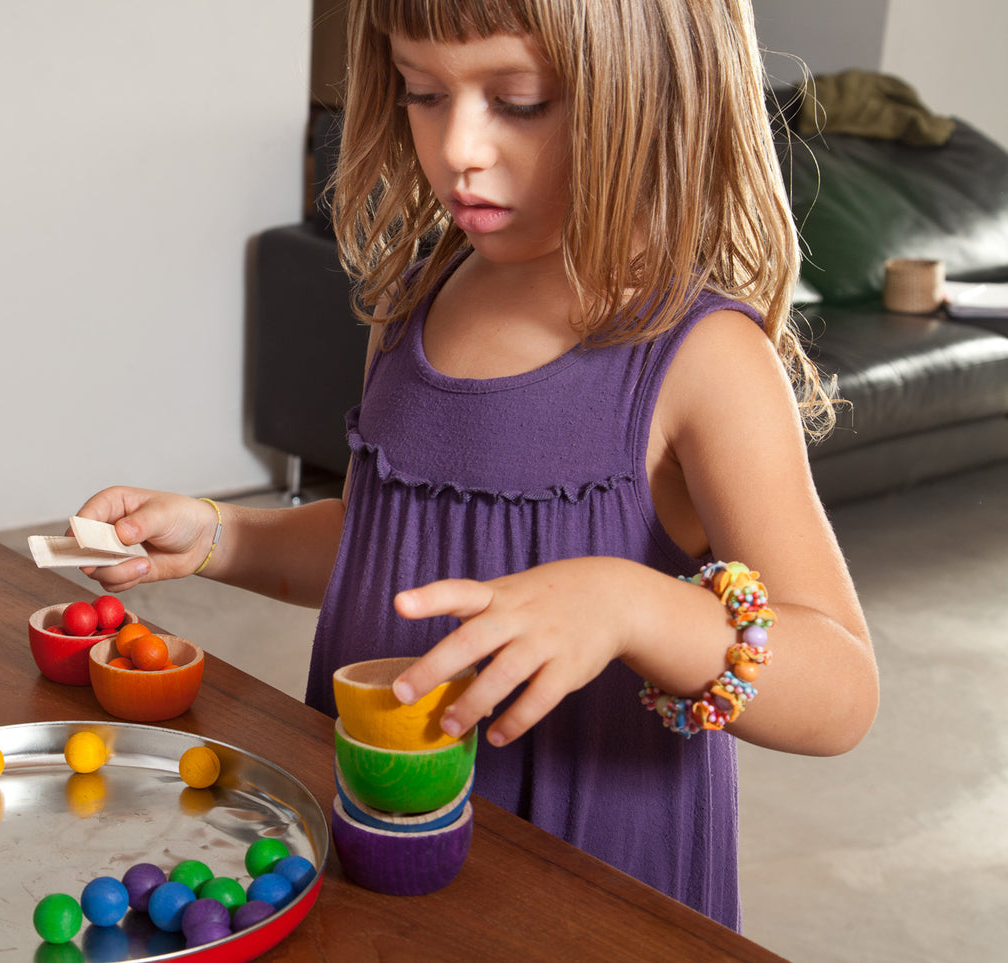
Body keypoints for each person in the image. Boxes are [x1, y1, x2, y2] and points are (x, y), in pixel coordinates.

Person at [75, 0, 878, 929]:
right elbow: (394, 550)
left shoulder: (698, 359)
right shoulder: (413, 301)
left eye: (520, 101)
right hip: (381, 835)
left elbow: (840, 690)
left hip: (588, 886)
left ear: (652, 97)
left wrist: (635, 606)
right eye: (422, 92)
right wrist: (223, 535)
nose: (457, 145)